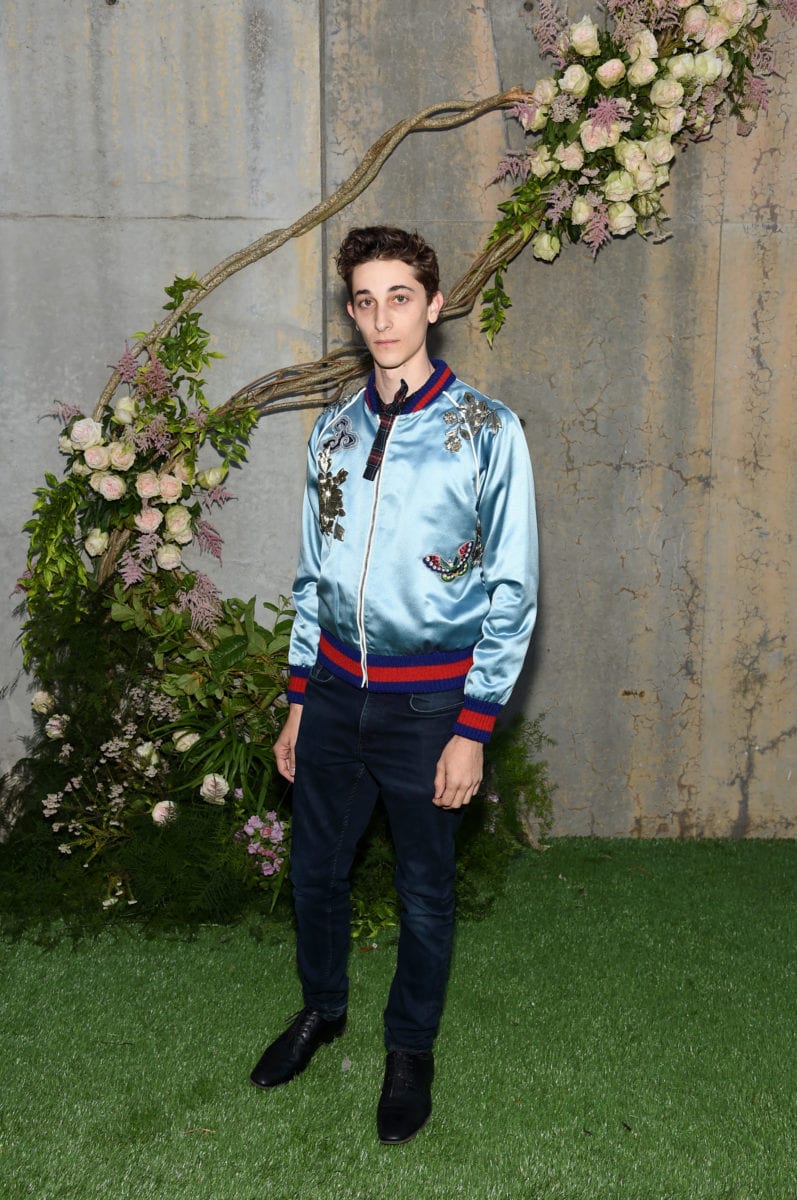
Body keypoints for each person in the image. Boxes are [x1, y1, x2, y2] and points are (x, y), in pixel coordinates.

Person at [250, 226, 538, 1144]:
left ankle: (409, 1048)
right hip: (334, 697)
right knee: (314, 874)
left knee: (423, 892)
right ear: (351, 311)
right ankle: (323, 1008)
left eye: (400, 297)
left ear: (434, 304)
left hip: (429, 708)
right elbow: (312, 576)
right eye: (366, 301)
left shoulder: (486, 431)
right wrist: (299, 700)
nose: (382, 318)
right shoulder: (332, 430)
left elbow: (513, 591)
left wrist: (473, 728)